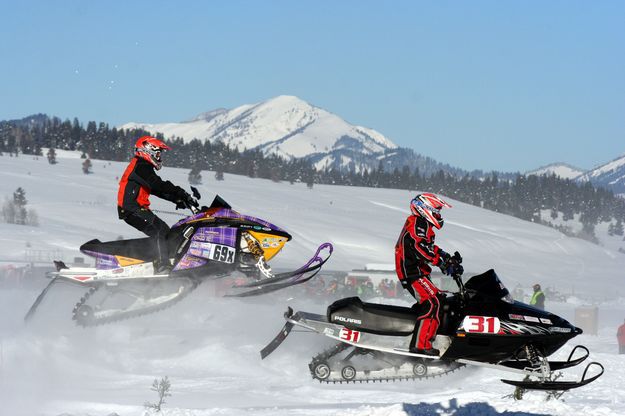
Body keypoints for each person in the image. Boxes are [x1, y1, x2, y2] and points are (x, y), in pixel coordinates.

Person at [395, 193, 463, 356]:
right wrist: (441, 262)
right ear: (425, 209)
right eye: (437, 211)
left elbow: (429, 246)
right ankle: (421, 345)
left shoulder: (421, 225)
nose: (439, 215)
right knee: (433, 303)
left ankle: (420, 333)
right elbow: (420, 247)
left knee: (439, 299)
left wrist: (447, 257)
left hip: (418, 272)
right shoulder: (417, 223)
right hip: (412, 273)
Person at [117, 136, 197, 274]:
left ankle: (158, 262)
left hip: (136, 208)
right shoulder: (140, 166)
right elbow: (158, 184)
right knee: (159, 231)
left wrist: (177, 199)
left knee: (165, 231)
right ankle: (162, 266)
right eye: (158, 153)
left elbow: (155, 190)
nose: (160, 157)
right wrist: (180, 192)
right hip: (131, 209)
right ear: (149, 151)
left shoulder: (143, 167)